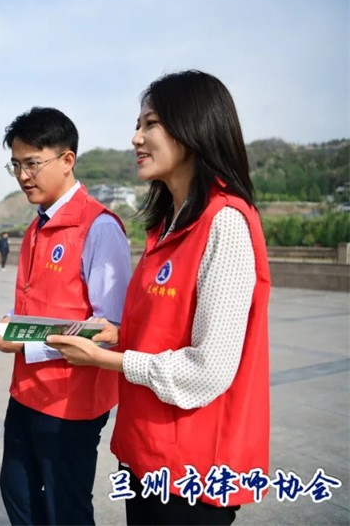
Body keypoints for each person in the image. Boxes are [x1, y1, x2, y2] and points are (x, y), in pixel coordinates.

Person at [46, 70, 270, 525]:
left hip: (194, 468)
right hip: (149, 451)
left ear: (193, 127)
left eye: (151, 124)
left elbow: (209, 369)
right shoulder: (169, 225)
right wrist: (117, 334)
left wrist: (106, 360)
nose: (136, 138)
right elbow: (166, 326)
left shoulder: (225, 223)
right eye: (138, 124)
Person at [0, 107, 132, 525]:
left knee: (66, 509)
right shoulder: (36, 227)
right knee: (18, 493)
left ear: (67, 159)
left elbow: (109, 329)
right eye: (16, 165)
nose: (23, 176)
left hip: (71, 402)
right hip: (26, 390)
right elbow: (36, 304)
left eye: (32, 163)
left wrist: (24, 343)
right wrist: (6, 325)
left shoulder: (99, 228)